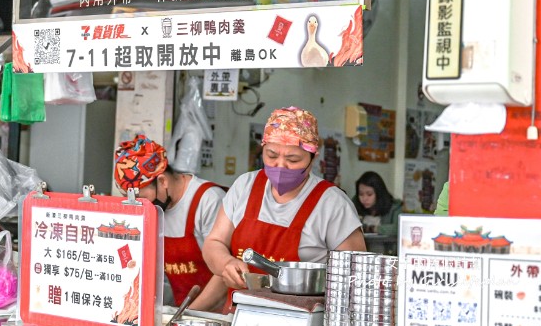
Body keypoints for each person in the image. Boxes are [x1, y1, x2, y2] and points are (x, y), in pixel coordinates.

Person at [203, 106, 365, 309]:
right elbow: (214, 242)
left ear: (312, 158)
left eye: (293, 159)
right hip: (239, 320)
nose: (280, 166)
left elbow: (357, 279)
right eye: (271, 155)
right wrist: (226, 264)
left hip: (301, 325)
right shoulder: (245, 186)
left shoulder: (332, 205)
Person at [114, 134, 227, 311]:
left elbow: (224, 274)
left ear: (162, 181)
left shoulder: (208, 201)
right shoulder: (153, 208)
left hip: (217, 314)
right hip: (180, 309)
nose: (140, 204)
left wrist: (187, 315)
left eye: (141, 197)